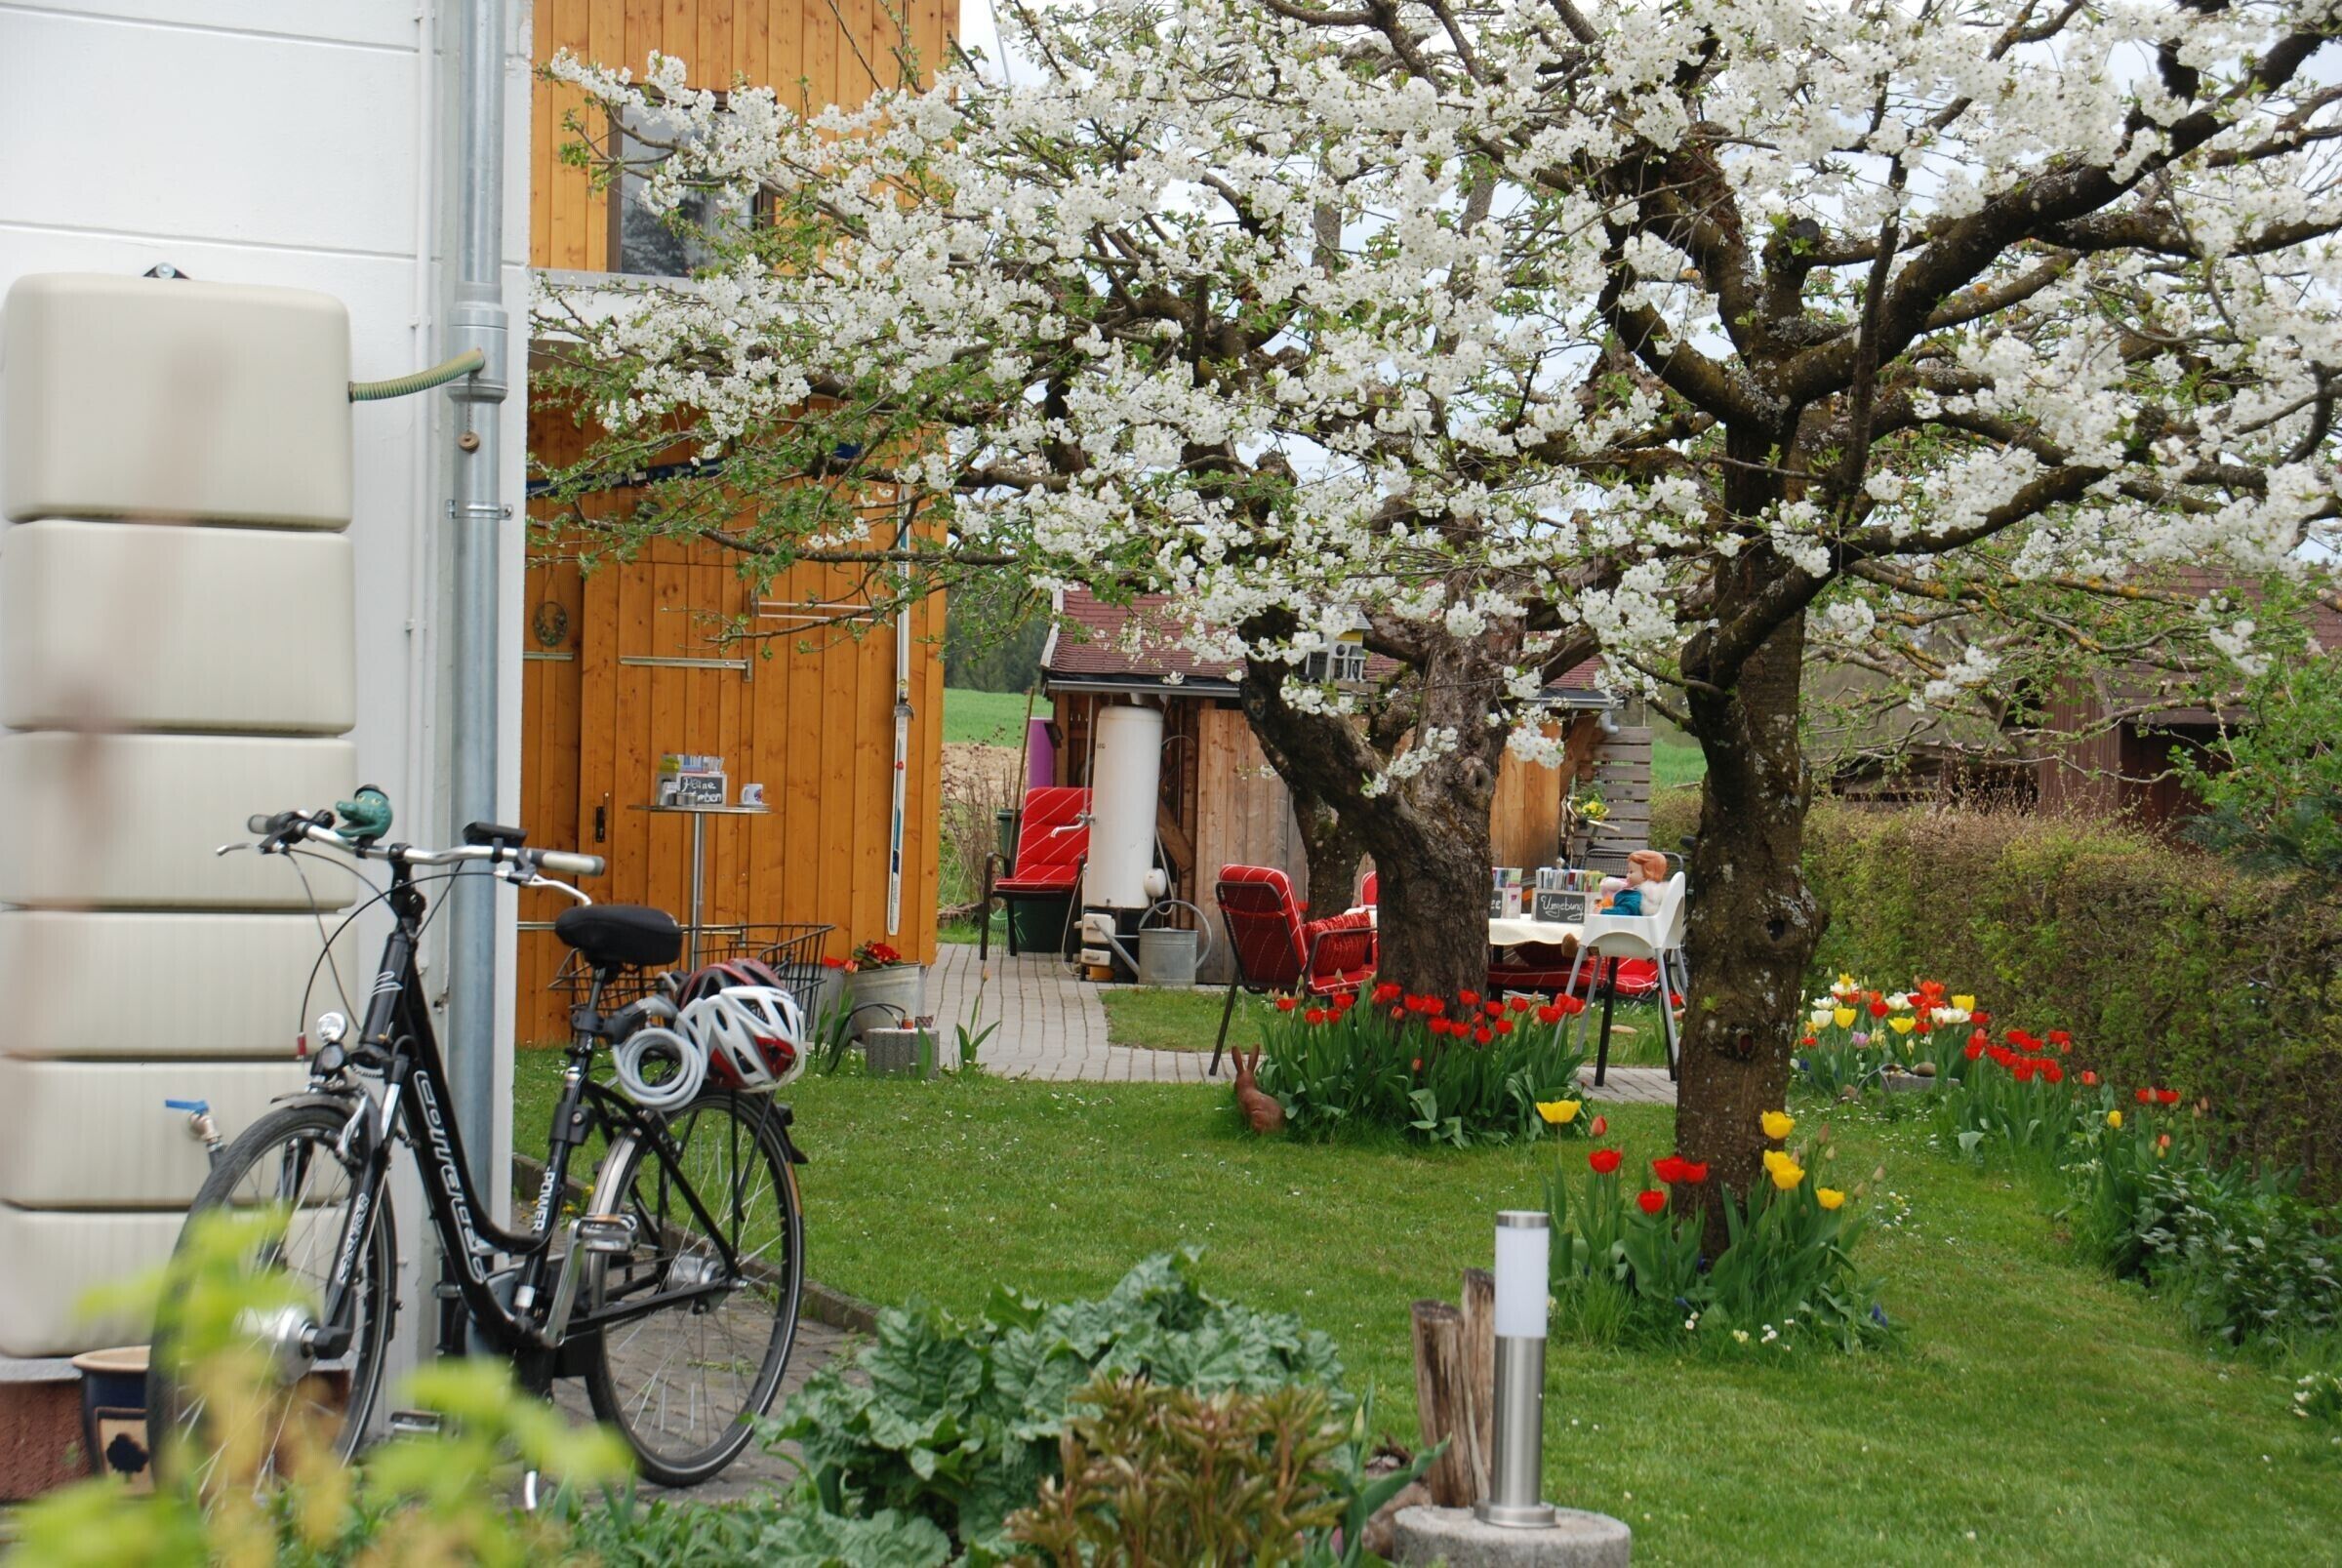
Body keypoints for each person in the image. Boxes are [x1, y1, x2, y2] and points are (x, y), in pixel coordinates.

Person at [1604, 850, 1671, 916]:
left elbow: (1626, 912)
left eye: (1631, 872)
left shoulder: (1640, 897)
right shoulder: (1639, 893)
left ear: (1646, 875)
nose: (1627, 875)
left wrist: (1604, 912)